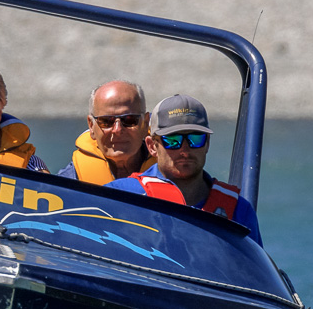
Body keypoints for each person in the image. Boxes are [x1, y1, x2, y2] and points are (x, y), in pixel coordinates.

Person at [109, 94, 263, 243]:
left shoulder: (239, 209)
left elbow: (253, 269)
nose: (184, 150)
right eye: (172, 140)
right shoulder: (120, 196)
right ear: (152, 146)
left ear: (207, 143)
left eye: (195, 139)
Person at [59, 80, 154, 184]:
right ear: (91, 126)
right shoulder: (66, 184)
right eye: (106, 121)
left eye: (129, 120)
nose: (117, 130)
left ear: (145, 123)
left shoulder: (170, 172)